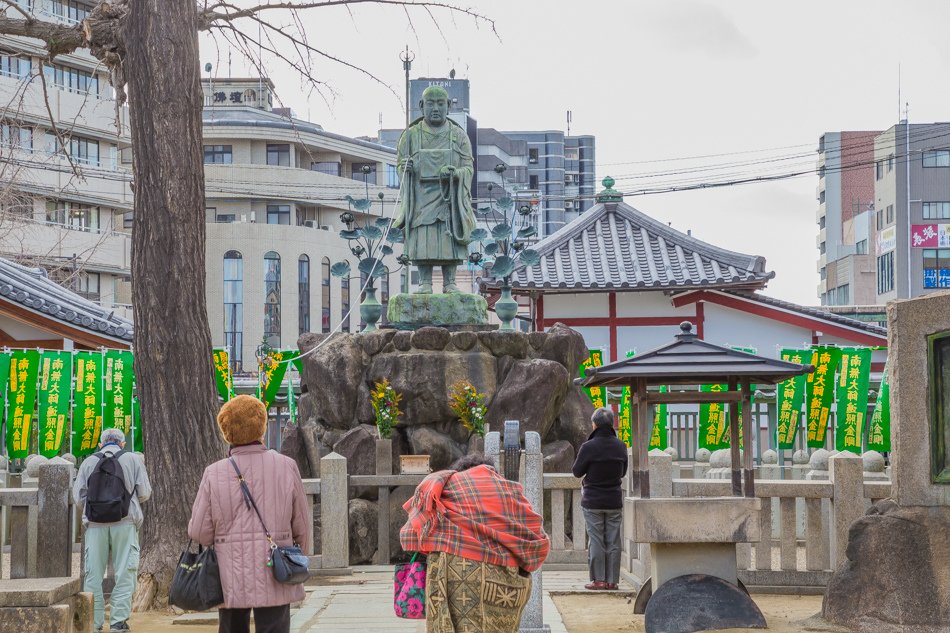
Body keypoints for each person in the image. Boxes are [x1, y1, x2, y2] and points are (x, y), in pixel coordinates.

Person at [188, 395, 311, 633]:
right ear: (262, 425)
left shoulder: (214, 473)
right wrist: (298, 556)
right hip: (276, 568)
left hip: (230, 574)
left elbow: (199, 532)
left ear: (226, 430)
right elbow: (302, 525)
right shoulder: (286, 465)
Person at [400, 454, 550, 633]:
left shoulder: (448, 486)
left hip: (452, 572)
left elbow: (411, 535)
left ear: (461, 471)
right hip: (501, 582)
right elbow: (535, 536)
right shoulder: (509, 491)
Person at [392, 84, 476, 294]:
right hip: (421, 199)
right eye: (431, 103)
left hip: (449, 199)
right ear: (421, 106)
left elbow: (468, 168)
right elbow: (401, 164)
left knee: (449, 237)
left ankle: (450, 282)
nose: (436, 108)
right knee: (424, 237)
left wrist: (456, 174)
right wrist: (406, 168)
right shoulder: (410, 136)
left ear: (448, 106)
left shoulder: (459, 135)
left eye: (441, 103)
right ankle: (425, 282)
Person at [74, 427, 152, 633]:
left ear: (101, 444)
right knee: (126, 571)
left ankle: (95, 622)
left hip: (95, 525)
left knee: (93, 574)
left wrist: (97, 509)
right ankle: (118, 621)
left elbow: (79, 496)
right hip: (124, 522)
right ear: (122, 444)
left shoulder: (89, 462)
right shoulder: (133, 460)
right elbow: (144, 493)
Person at [572, 407, 628, 591]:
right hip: (614, 500)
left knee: (596, 539)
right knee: (613, 540)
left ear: (594, 424)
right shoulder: (621, 446)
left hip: (593, 501)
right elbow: (623, 472)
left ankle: (598, 580)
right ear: (611, 424)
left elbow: (577, 471)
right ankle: (612, 581)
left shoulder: (588, 447)